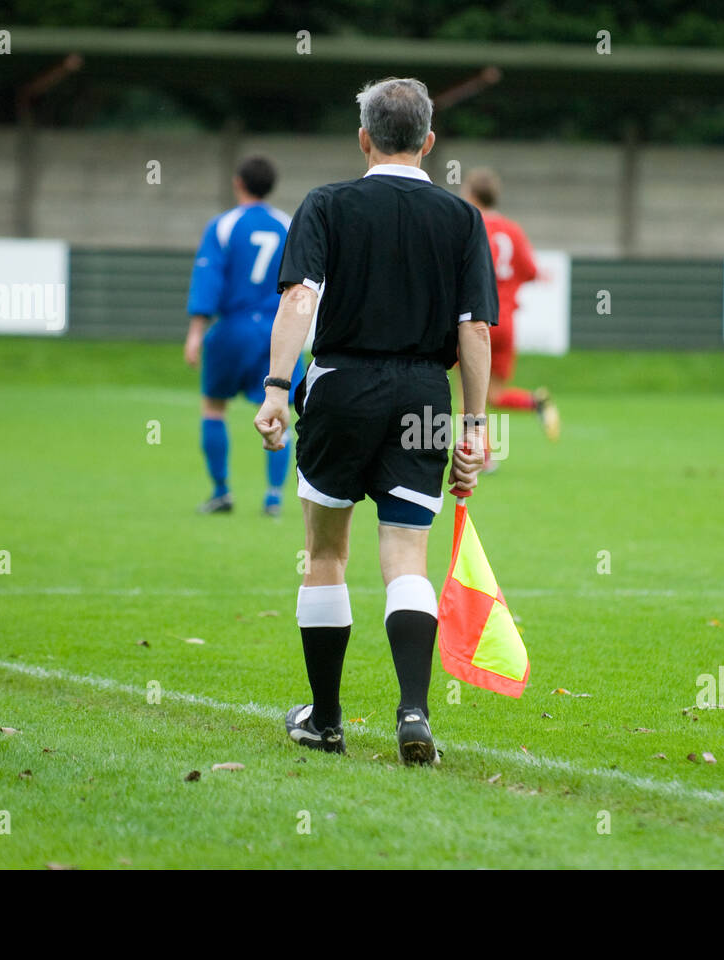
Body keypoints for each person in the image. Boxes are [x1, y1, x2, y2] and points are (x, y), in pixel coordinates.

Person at [253, 77, 496, 765]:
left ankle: (326, 720)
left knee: (327, 553)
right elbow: (475, 331)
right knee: (406, 555)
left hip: (342, 386)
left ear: (363, 139)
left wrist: (276, 388)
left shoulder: (327, 204)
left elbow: (300, 297)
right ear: (429, 141)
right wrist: (474, 427)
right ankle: (414, 711)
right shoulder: (461, 218)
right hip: (424, 393)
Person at [184, 155, 305, 516]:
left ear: (238, 182)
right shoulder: (287, 225)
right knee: (278, 410)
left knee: (214, 407)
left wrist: (195, 332)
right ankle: (273, 496)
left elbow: (208, 278)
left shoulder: (223, 226)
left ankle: (222, 491)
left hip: (232, 328)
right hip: (277, 332)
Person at [461, 168, 560, 446]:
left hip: (477, 320)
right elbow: (530, 271)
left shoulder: (470, 226)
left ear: (470, 194)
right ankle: (536, 402)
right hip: (506, 323)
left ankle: (481, 456)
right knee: (493, 395)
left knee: (468, 393)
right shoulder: (512, 231)